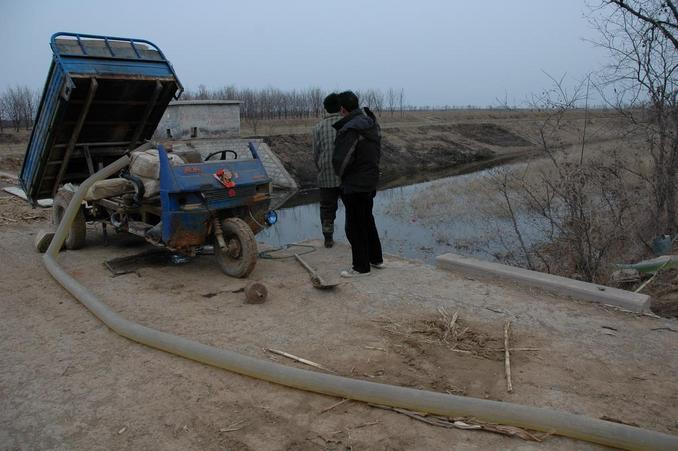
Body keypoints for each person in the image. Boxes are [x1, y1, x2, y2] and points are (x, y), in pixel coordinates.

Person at [332, 91, 384, 277]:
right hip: (370, 180)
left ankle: (361, 267)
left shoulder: (350, 129)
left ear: (343, 109)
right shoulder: (371, 124)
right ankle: (376, 258)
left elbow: (342, 160)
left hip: (354, 184)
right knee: (367, 219)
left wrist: (341, 175)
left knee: (355, 224)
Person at [312, 93, 343, 248]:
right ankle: (355, 237)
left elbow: (315, 154)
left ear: (325, 108)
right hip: (346, 176)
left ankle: (328, 238)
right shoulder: (347, 123)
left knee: (327, 209)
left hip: (326, 175)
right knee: (352, 207)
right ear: (341, 106)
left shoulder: (318, 127)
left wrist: (321, 169)